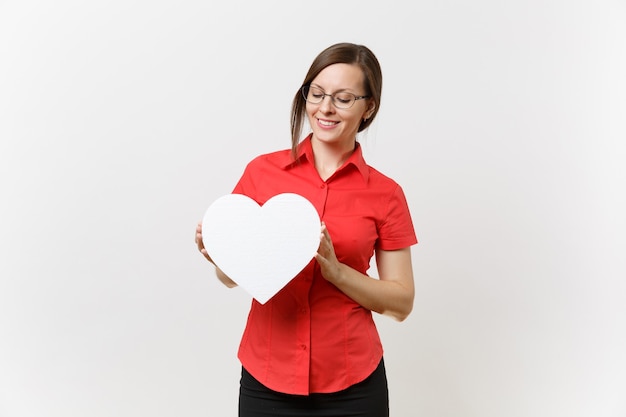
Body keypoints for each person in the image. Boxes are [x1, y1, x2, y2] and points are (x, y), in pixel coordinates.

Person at [195, 42, 417, 417]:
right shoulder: (261, 173)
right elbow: (230, 279)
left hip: (353, 383)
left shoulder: (386, 194)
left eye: (343, 98)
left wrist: (336, 271)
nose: (325, 108)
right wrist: (221, 256)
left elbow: (401, 303)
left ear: (369, 107)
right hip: (267, 377)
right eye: (316, 94)